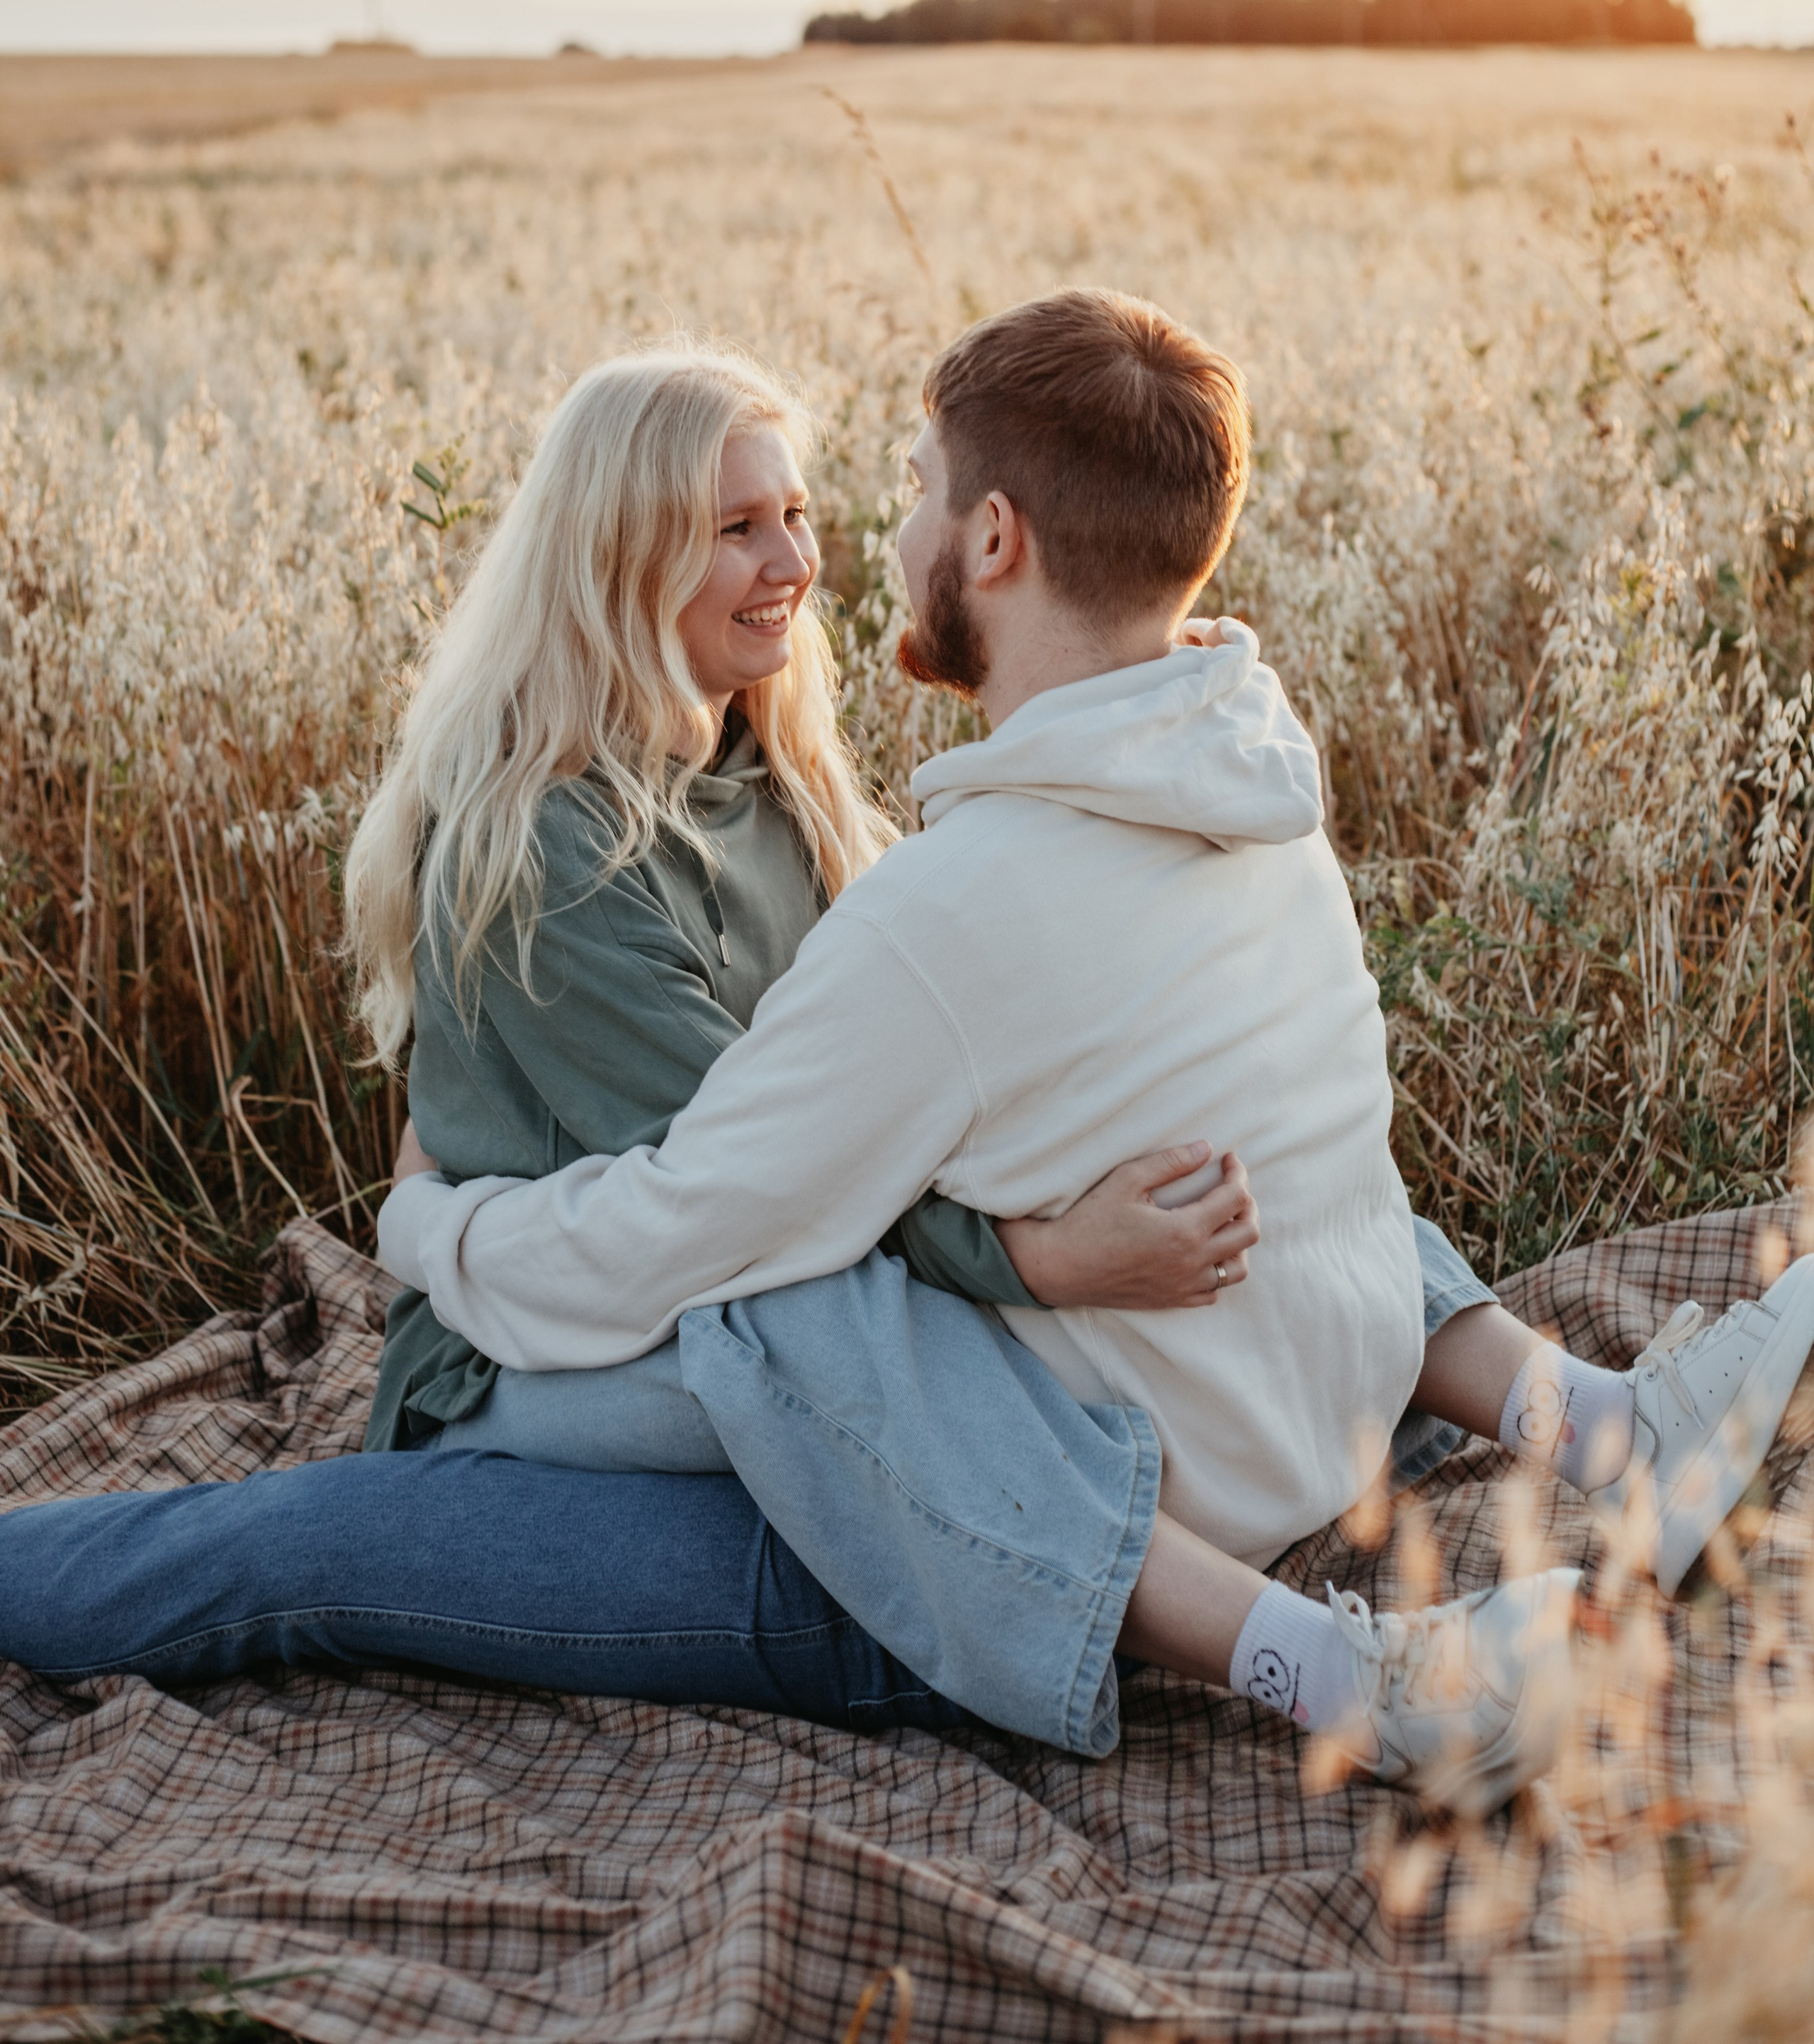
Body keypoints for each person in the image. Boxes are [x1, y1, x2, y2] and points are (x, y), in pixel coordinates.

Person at [6, 305, 1810, 1818]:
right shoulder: (566, 853)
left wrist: (1045, 1231)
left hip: (746, 1291)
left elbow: (811, 1160)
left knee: (1163, 1117)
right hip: (586, 1350)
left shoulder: (805, 801)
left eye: (836, 503)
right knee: (330, 1540)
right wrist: (431, 1238)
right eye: (740, 526)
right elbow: (715, 1236)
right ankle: (1365, 1648)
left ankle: (1594, 1426)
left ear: (997, 539)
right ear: (617, 551)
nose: (810, 555)